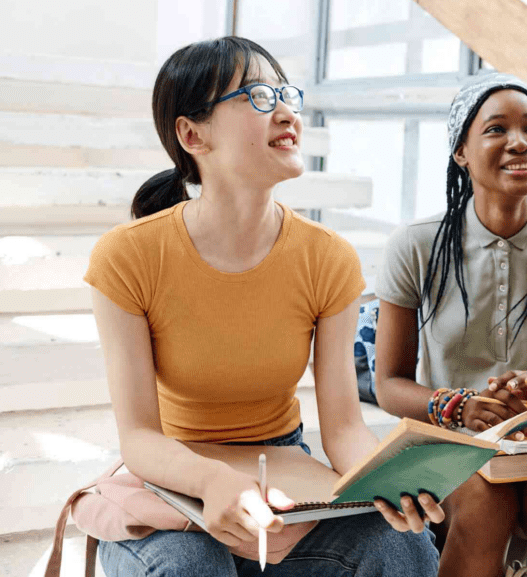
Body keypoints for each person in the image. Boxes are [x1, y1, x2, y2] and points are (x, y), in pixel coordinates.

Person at [85, 36, 442, 576]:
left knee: (403, 548)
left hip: (284, 471)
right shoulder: (128, 256)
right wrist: (210, 481)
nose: (285, 112)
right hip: (172, 476)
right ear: (191, 133)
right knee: (189, 566)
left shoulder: (328, 258)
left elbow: (344, 428)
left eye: (285, 93)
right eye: (255, 95)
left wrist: (385, 480)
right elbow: (139, 436)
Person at [372, 73, 527, 577]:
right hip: (446, 439)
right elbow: (388, 385)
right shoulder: (416, 245)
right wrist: (457, 406)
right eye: (496, 129)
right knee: (489, 498)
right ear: (461, 152)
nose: (519, 142)